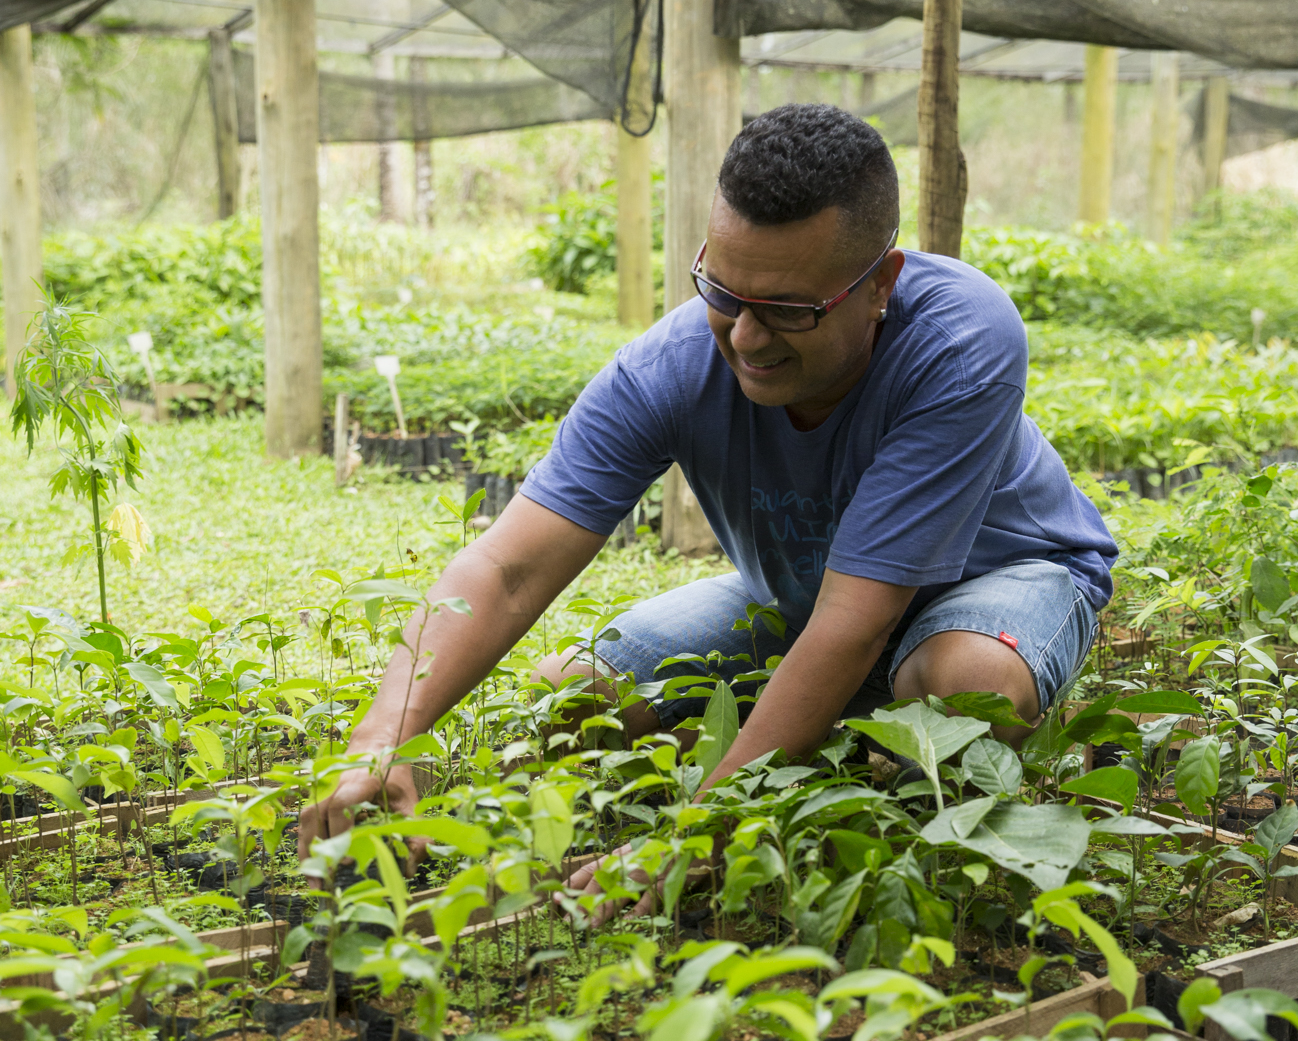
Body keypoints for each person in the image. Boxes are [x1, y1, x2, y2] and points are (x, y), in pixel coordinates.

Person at [297, 104, 1116, 878]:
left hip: (998, 582)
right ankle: (807, 729)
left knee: (960, 687)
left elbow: (857, 618)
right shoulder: (672, 366)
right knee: (569, 697)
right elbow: (505, 571)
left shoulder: (961, 339)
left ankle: (854, 743)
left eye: (789, 310)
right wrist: (383, 732)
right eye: (723, 292)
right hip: (804, 604)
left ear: (879, 284)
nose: (746, 338)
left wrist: (699, 831)